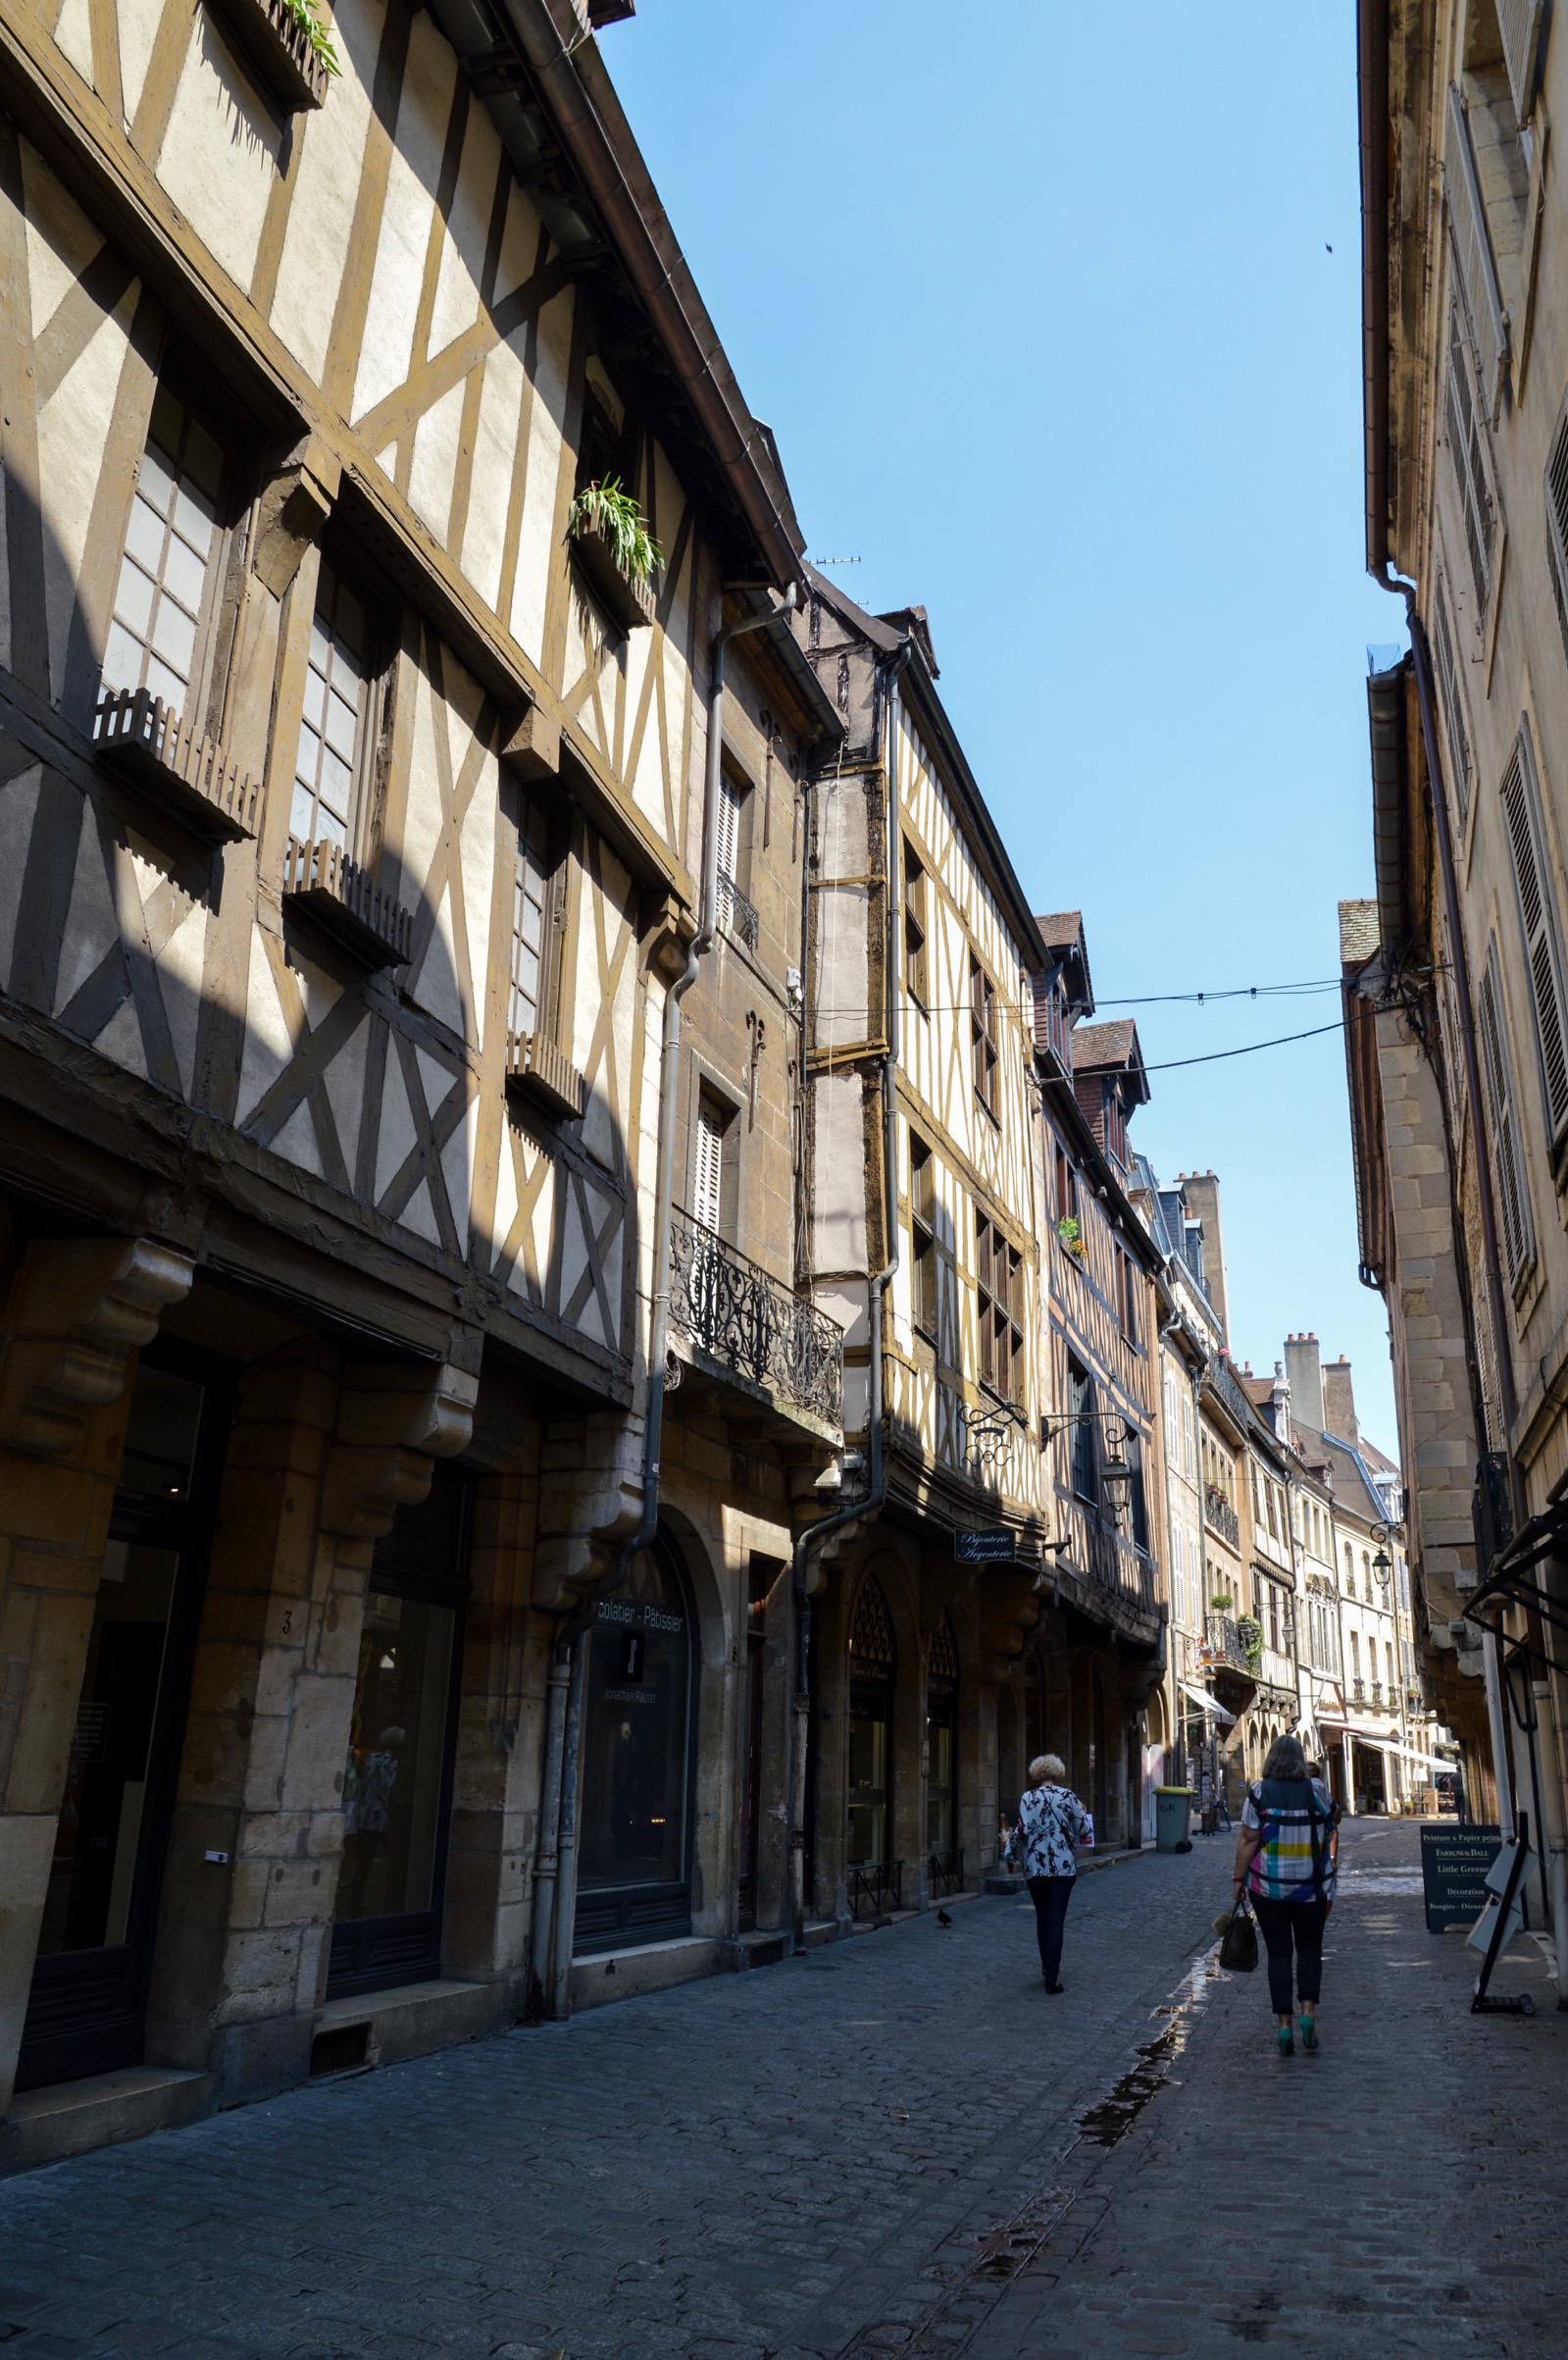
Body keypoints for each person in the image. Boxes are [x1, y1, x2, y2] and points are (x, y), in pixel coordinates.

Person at [1232, 1733, 1340, 2057]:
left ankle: (1284, 2025)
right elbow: (1333, 1818)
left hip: (1269, 1887)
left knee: (1279, 1954)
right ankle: (1308, 2013)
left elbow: (1248, 1840)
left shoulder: (1259, 1792)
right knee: (1309, 1949)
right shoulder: (1315, 1789)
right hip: (1310, 1887)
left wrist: (1238, 1878)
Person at [1014, 1753, 1087, 1993]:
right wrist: (1080, 1810)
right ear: (1058, 1773)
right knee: (1056, 1921)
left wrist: (1008, 1848)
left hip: (1035, 1866)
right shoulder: (1067, 1796)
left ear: (1036, 1773)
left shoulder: (1027, 1798)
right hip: (1063, 1867)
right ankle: (1052, 1978)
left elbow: (1022, 1831)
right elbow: (1083, 1829)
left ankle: (1046, 1967)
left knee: (1042, 1918)